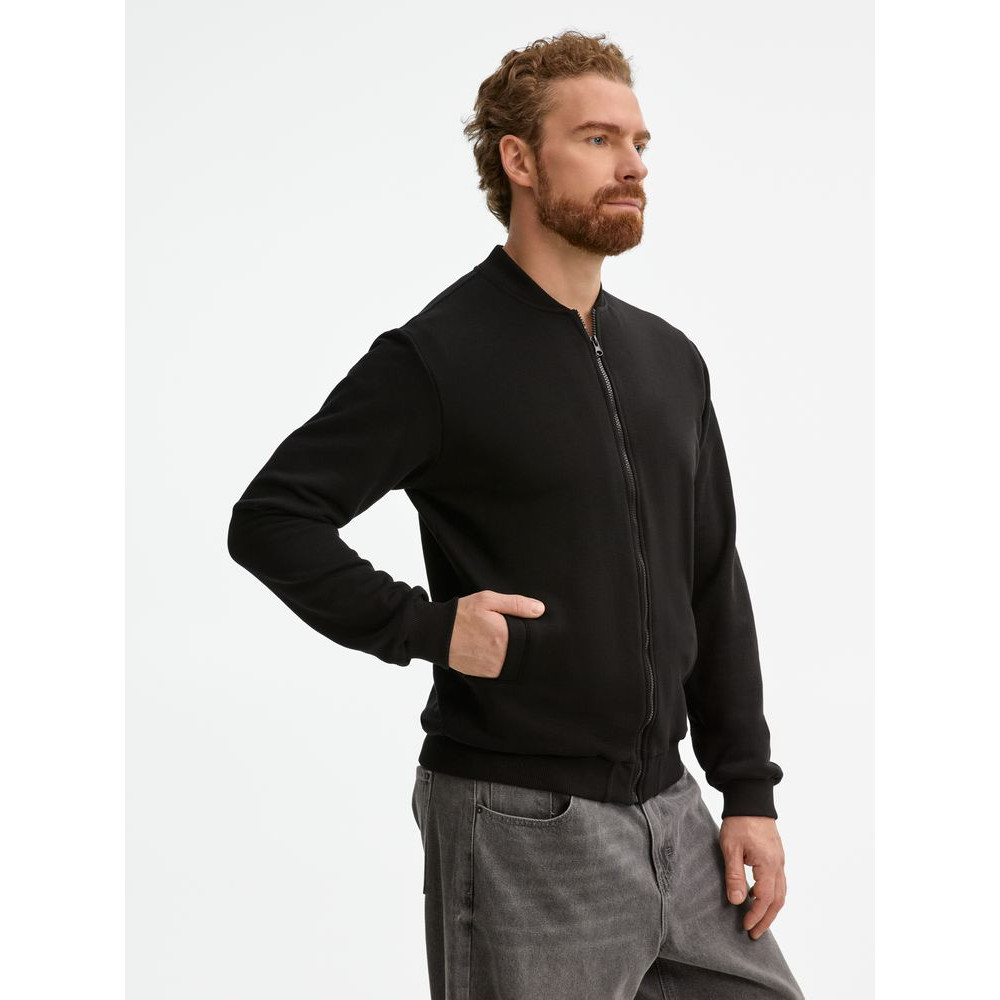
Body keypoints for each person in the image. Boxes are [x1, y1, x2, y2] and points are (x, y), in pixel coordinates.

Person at [228, 29, 806, 1000]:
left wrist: (746, 789)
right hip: (520, 819)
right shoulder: (438, 357)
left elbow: (711, 577)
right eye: (597, 139)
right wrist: (428, 627)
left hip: (673, 810)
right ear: (520, 160)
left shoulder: (670, 360)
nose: (633, 165)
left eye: (639, 142)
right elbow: (273, 518)